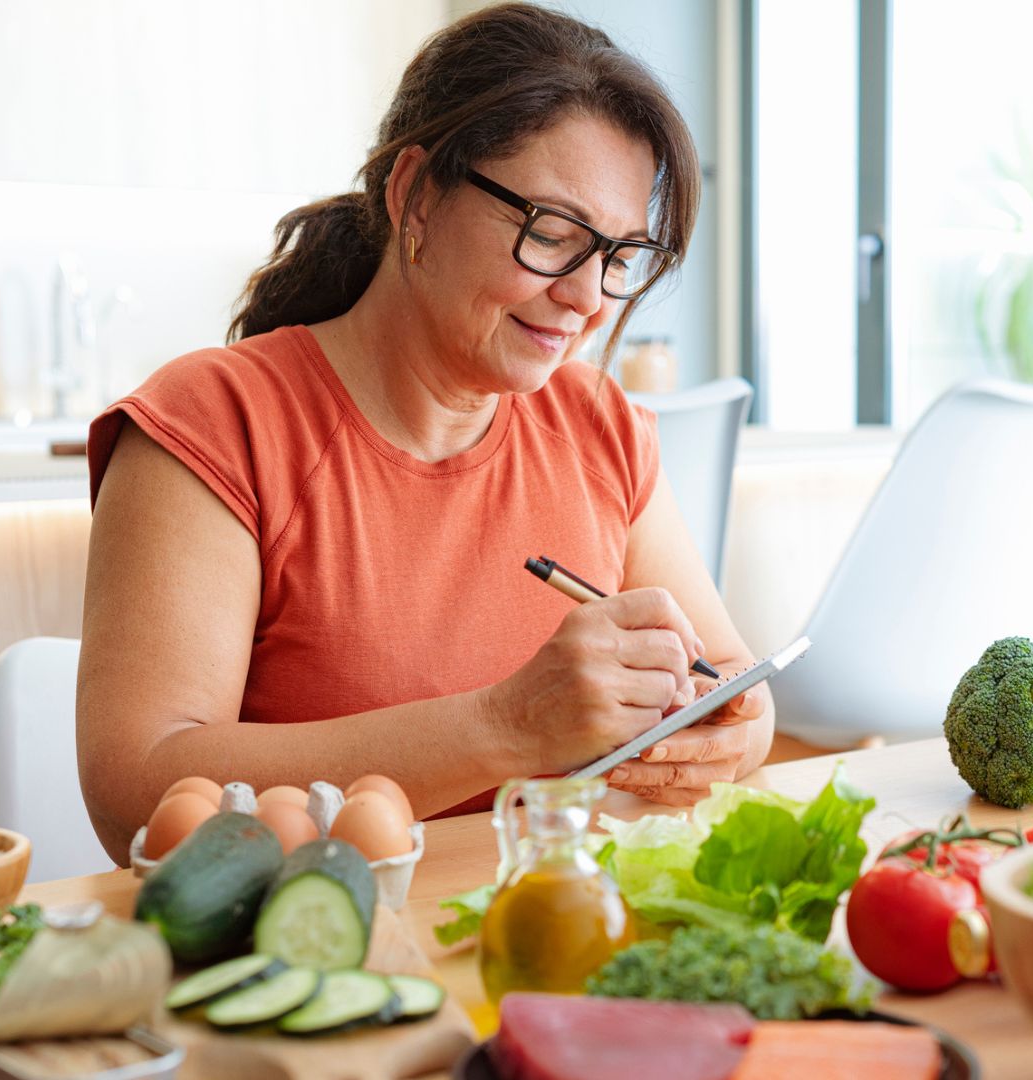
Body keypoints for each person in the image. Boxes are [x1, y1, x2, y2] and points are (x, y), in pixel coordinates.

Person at [76, 2, 772, 861]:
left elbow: (736, 684)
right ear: (414, 196)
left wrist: (729, 732)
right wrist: (506, 727)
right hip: (314, 945)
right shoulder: (216, 425)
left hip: (554, 926)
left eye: (621, 256)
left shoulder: (600, 425)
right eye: (551, 234)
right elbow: (135, 789)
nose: (588, 297)